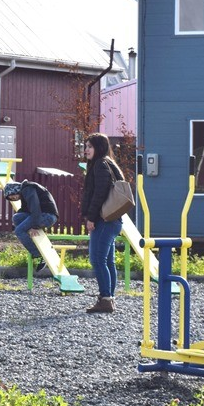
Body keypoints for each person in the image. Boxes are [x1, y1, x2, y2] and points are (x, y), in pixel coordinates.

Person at [81, 132, 125, 314]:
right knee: (108, 261)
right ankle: (109, 298)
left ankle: (105, 299)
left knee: (97, 259)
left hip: (104, 219)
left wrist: (91, 218)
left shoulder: (100, 165)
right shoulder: (109, 163)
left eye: (90, 147)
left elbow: (100, 192)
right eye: (86, 146)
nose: (86, 150)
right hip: (114, 219)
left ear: (98, 148)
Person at [3, 179, 59, 272]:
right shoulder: (25, 192)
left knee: (19, 231)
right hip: (41, 214)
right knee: (16, 218)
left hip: (47, 216)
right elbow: (25, 210)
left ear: (15, 190)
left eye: (13, 197)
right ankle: (29, 231)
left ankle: (39, 255)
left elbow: (35, 208)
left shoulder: (28, 189)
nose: (14, 199)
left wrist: (35, 226)